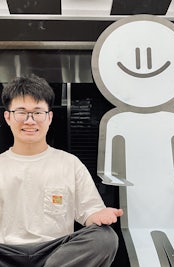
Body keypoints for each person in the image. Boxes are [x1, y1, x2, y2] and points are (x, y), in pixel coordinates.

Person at [0, 74, 123, 267]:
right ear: (8, 117)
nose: (30, 121)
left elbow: (89, 212)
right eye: (21, 112)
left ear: (49, 117)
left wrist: (97, 216)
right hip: (6, 253)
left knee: (105, 238)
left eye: (38, 112)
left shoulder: (69, 163)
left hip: (57, 256)